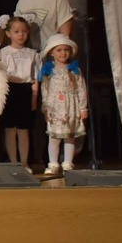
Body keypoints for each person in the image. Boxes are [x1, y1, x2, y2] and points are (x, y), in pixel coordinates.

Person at [38, 34, 88, 174]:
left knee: (69, 136)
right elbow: (45, 91)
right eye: (59, 50)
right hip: (55, 108)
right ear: (52, 53)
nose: (63, 53)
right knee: (54, 137)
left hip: (70, 108)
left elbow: (81, 89)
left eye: (66, 50)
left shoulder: (74, 70)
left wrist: (83, 108)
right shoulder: (48, 71)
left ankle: (67, 163)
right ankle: (53, 163)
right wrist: (45, 108)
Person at [0, 16, 40, 171]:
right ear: (8, 33)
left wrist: (34, 98)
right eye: (16, 31)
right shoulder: (3, 53)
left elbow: (35, 78)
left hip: (26, 91)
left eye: (24, 31)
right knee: (10, 129)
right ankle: (13, 162)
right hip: (9, 90)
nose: (21, 35)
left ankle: (24, 162)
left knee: (24, 129)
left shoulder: (32, 54)